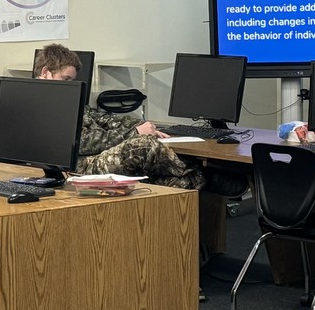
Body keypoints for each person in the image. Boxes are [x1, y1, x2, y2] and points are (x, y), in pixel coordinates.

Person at [34, 44, 247, 197]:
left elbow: (102, 119)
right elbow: (84, 141)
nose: (71, 85)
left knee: (169, 183)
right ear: (46, 72)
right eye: (66, 79)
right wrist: (135, 133)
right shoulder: (42, 103)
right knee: (143, 146)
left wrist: (137, 125)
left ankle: (202, 183)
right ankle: (207, 176)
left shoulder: (66, 99)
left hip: (97, 157)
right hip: (80, 166)